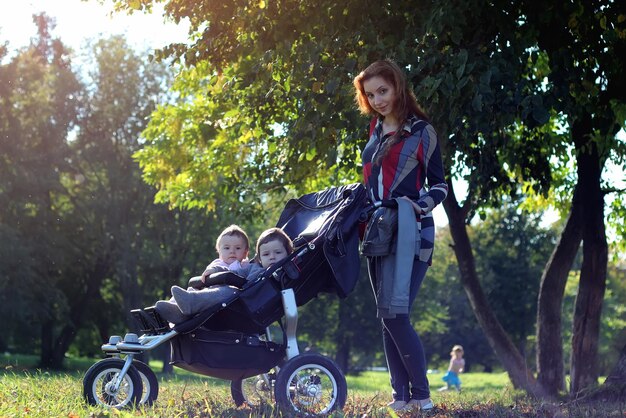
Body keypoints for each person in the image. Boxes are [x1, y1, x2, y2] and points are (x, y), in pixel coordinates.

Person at [354, 59, 448, 413]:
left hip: (410, 231)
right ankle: (401, 398)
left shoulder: (422, 131)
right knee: (385, 314)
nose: (378, 100)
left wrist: (413, 205)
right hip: (376, 231)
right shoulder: (374, 132)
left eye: (383, 91)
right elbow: (370, 185)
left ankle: (422, 397)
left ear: (397, 88)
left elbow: (440, 187)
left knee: (397, 313)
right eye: (370, 94)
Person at [156, 227, 294, 322]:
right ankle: (178, 313)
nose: (272, 257)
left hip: (241, 303)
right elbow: (232, 272)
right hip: (232, 299)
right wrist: (215, 271)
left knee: (228, 291)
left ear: (288, 254)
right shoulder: (252, 267)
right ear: (259, 258)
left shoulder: (283, 276)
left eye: (278, 252)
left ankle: (190, 302)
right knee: (204, 290)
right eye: (266, 254)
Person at [154, 224, 250, 323]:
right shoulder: (217, 263)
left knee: (222, 292)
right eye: (227, 248)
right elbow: (209, 273)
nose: (232, 252)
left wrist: (217, 270)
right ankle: (169, 312)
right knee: (192, 289)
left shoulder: (244, 265)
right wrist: (212, 271)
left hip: (227, 300)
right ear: (219, 251)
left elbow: (239, 275)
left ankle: (188, 305)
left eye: (238, 248)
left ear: (245, 252)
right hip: (207, 293)